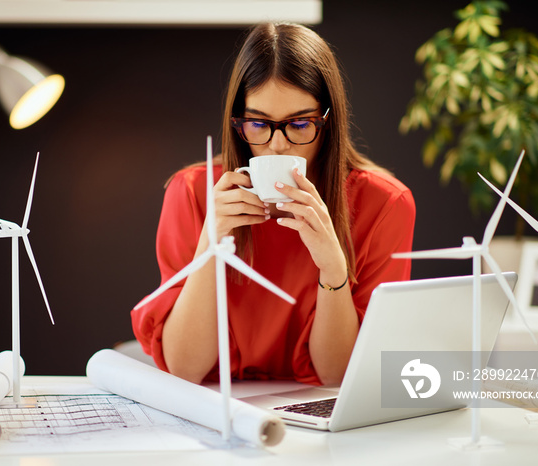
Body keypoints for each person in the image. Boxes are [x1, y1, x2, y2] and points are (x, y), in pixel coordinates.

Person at [131, 22, 415, 386]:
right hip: (220, 409)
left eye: (299, 124)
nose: (277, 146)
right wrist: (210, 246)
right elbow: (185, 368)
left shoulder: (384, 203)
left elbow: (338, 375)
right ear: (237, 121)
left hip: (319, 410)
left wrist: (332, 265)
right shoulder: (193, 192)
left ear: (328, 121)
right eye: (258, 123)